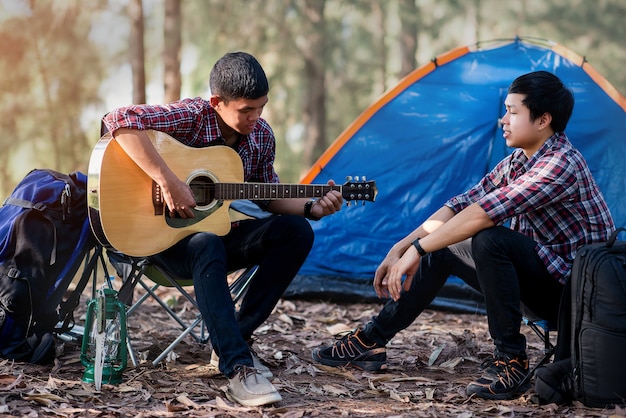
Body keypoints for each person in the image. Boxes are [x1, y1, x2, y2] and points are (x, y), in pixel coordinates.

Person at [311, 71, 615, 400]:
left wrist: (417, 250)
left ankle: (510, 360)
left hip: (577, 299)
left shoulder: (560, 164)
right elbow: (459, 205)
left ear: (543, 120)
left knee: (489, 238)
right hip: (543, 284)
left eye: (512, 112)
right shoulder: (517, 162)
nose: (503, 120)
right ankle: (371, 340)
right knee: (445, 248)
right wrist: (398, 249)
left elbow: (482, 214)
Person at [102, 51, 343, 406]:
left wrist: (311, 208)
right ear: (217, 102)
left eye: (261, 107)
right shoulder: (192, 117)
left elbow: (266, 196)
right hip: (163, 241)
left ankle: (236, 337)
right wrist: (168, 181)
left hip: (217, 234)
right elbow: (118, 119)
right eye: (246, 110)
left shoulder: (260, 136)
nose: (255, 118)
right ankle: (238, 368)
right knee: (205, 241)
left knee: (296, 231)